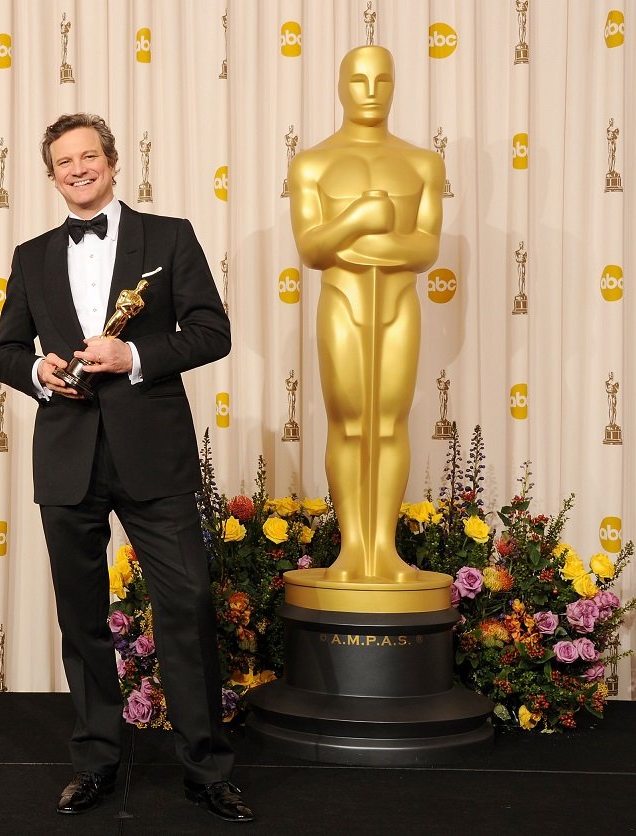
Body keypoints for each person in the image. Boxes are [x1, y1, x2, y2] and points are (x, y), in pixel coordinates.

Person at [0, 113, 249, 822]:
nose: (77, 169)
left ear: (112, 161)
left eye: (88, 157)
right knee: (82, 620)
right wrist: (39, 371)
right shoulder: (32, 253)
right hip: (67, 455)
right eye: (63, 162)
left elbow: (211, 331)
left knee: (187, 607)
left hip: (152, 454)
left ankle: (206, 769)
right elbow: (4, 350)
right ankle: (99, 760)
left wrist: (132, 357)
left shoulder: (169, 237)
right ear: (51, 175)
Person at [288, 45, 443, 583]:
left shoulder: (423, 163)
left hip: (399, 304)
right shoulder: (312, 163)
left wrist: (358, 248)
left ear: (396, 84)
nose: (371, 91)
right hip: (344, 304)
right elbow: (311, 249)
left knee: (390, 420)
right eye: (358, 79)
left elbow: (425, 250)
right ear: (340, 84)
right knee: (350, 422)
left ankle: (386, 546)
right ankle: (354, 547)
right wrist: (359, 217)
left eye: (382, 80)